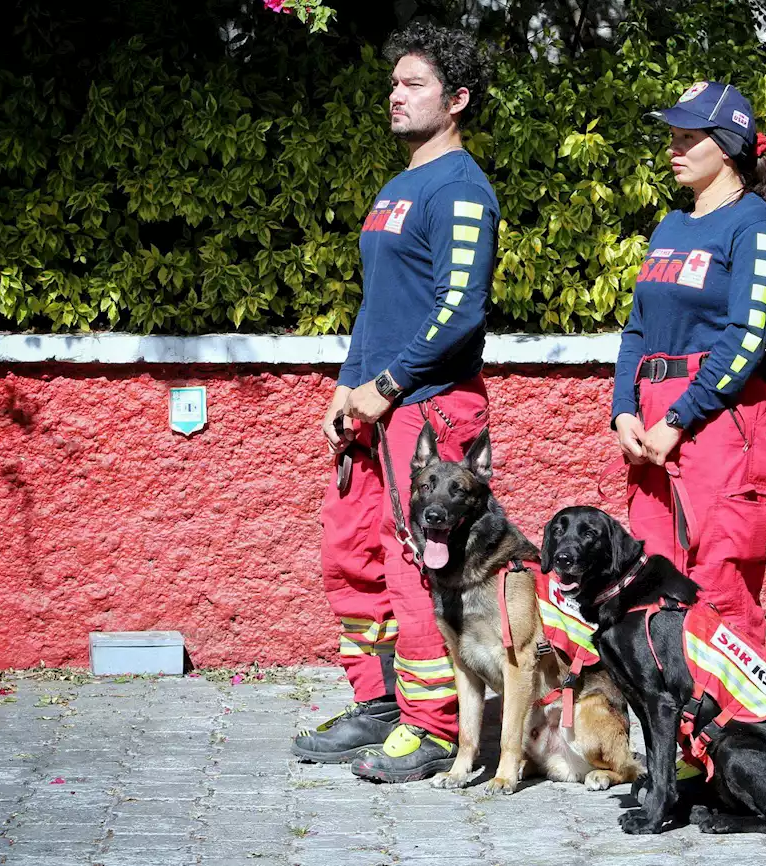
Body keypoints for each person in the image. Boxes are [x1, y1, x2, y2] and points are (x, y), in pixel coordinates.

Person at [290, 22, 499, 784]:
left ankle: (435, 728)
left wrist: (387, 387)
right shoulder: (395, 190)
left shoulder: (462, 188)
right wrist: (350, 384)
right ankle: (379, 705)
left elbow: (460, 310)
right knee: (351, 556)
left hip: (429, 407)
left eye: (414, 84)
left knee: (417, 564)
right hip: (374, 407)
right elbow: (379, 305)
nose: (396, 94)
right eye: (395, 82)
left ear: (458, 99)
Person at [611, 81, 766, 646]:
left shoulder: (757, 228)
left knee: (719, 587)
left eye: (690, 137)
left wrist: (678, 419)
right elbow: (637, 328)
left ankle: (735, 731)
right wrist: (623, 412)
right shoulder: (670, 227)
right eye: (673, 136)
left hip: (718, 422)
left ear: (728, 146)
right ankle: (679, 730)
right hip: (652, 422)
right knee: (655, 582)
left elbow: (744, 339)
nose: (675, 148)